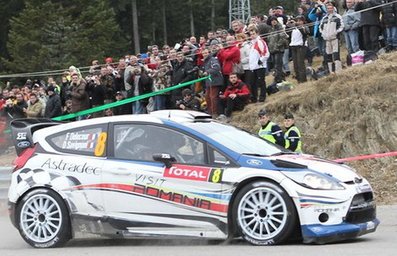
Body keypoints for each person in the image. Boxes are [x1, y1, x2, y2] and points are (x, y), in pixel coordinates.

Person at [319, 3, 344, 73]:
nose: (329, 10)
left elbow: (342, 26)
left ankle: (339, 71)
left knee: (336, 55)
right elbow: (320, 28)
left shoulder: (338, 17)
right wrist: (323, 34)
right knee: (328, 56)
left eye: (330, 8)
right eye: (328, 8)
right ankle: (331, 72)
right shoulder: (324, 18)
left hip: (335, 38)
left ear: (333, 8)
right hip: (327, 40)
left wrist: (336, 32)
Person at [248, 26, 270, 103]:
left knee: (261, 82)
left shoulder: (260, 41)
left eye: (253, 34)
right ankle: (254, 97)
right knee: (253, 83)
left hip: (260, 66)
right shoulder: (252, 43)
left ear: (257, 33)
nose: (252, 35)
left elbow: (266, 53)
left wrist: (261, 60)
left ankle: (262, 97)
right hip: (253, 66)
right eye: (251, 34)